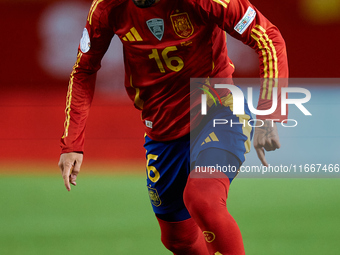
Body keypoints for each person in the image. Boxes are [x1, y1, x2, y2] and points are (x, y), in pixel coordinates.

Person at [58, 0, 288, 254]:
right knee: (178, 239)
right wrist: (72, 143)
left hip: (218, 110)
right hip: (162, 130)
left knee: (203, 199)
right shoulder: (107, 7)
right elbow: (83, 70)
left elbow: (268, 37)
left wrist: (269, 114)